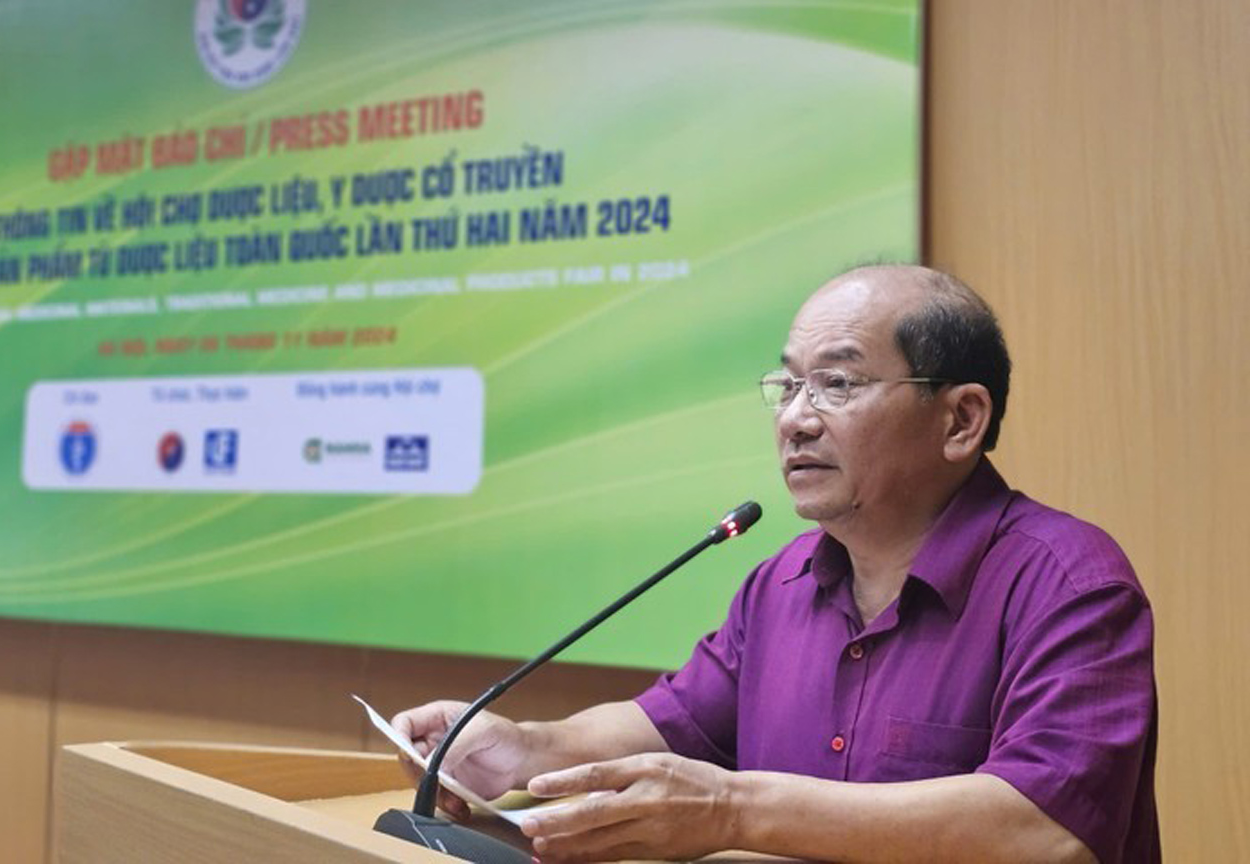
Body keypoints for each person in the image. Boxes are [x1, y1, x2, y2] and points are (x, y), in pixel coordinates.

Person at [392, 265, 1158, 864]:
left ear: (961, 420)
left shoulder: (1069, 583)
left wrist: (731, 810)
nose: (794, 417)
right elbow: (669, 725)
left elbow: (1046, 832)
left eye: (838, 383)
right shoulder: (782, 582)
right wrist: (526, 746)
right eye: (789, 384)